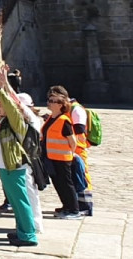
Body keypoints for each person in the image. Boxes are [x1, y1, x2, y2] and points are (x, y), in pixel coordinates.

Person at [0, 66, 44, 248]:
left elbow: (9, 104)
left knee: (21, 201)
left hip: (16, 166)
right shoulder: (3, 121)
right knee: (16, 203)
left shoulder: (17, 122)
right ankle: (21, 230)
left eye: (0, 105)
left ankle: (28, 235)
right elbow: (0, 102)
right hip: (5, 165)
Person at [49, 85, 94, 216]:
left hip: (77, 149)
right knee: (71, 179)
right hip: (67, 150)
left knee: (82, 177)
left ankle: (85, 206)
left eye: (53, 99)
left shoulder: (76, 109)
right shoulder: (68, 110)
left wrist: (74, 148)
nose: (50, 102)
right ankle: (72, 204)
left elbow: (79, 132)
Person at [43, 90, 83, 219]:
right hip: (52, 157)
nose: (49, 103)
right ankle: (66, 206)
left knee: (66, 183)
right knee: (58, 183)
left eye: (53, 101)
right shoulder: (51, 118)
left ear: (60, 105)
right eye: (49, 100)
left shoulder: (64, 120)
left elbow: (73, 141)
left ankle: (74, 209)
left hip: (63, 158)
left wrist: (70, 153)